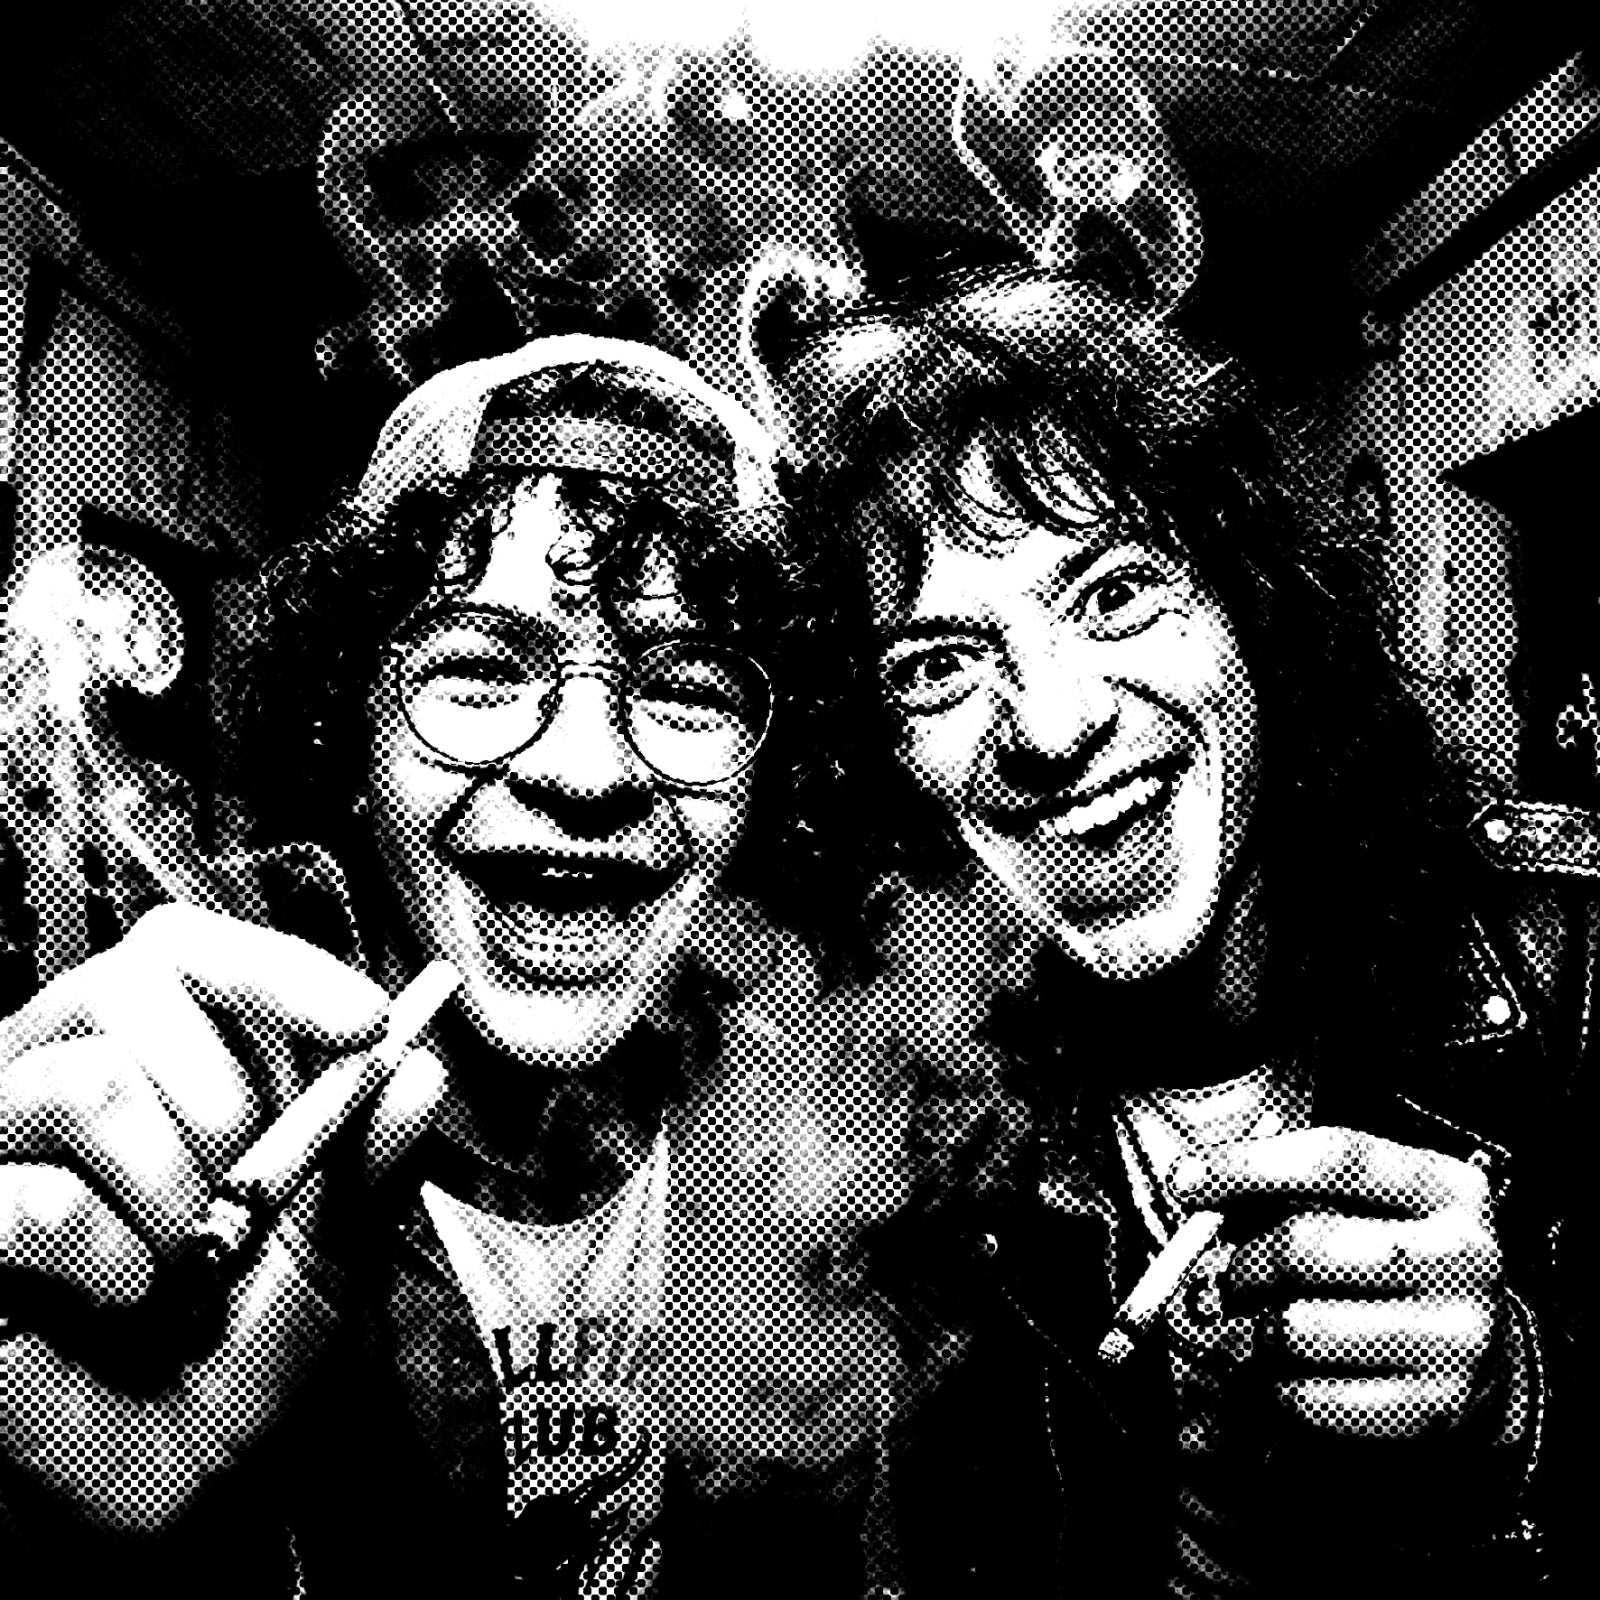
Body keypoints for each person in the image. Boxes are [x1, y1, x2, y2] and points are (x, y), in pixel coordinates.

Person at [0, 334, 909, 1599]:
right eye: (478, 672)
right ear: (350, 736)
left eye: (687, 692)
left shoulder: (835, 1139)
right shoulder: (226, 1125)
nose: (587, 769)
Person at [783, 265, 1560, 1598]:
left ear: (1254, 611)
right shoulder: (884, 1143)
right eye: (938, 667)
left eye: (1114, 595)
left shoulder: (1564, 955)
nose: (1052, 723)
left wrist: (1518, 1413)